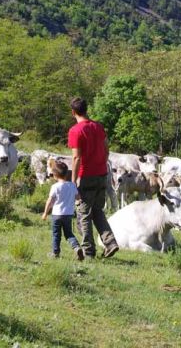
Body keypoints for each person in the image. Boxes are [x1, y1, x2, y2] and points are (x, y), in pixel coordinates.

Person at [68, 97, 119, 259]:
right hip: (102, 174)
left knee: (83, 214)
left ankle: (88, 252)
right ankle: (110, 243)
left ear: (73, 112)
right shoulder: (98, 126)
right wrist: (102, 165)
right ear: (86, 109)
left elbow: (76, 158)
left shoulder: (75, 131)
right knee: (97, 210)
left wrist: (73, 182)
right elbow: (106, 149)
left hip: (85, 176)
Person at [41, 159, 84, 260]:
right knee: (69, 234)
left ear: (55, 175)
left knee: (56, 234)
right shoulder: (72, 185)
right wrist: (76, 201)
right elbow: (78, 198)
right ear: (66, 174)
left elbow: (50, 201)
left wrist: (45, 213)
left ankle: (55, 253)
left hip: (56, 215)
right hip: (68, 215)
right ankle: (77, 247)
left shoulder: (55, 187)